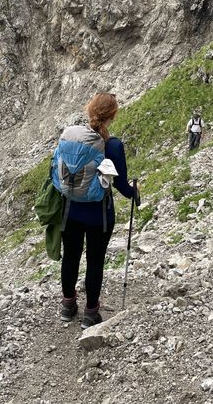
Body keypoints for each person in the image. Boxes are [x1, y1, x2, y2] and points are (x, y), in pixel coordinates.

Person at [56, 92, 137, 329]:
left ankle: (68, 305)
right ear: (113, 115)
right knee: (95, 260)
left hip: (70, 210)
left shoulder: (72, 139)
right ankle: (91, 313)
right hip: (98, 215)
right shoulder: (112, 145)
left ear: (90, 110)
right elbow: (121, 185)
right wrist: (135, 192)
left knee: (70, 256)